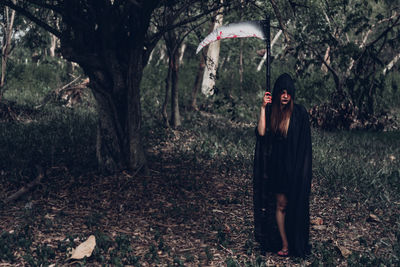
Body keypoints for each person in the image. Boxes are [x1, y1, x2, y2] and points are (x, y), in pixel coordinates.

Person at [253, 73, 312, 258]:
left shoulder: (300, 113)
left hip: (293, 168)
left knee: (295, 204)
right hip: (277, 167)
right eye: (282, 92)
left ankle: (296, 242)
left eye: (288, 93)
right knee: (281, 205)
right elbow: (261, 133)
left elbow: (305, 145)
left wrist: (303, 171)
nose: (285, 96)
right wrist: (263, 107)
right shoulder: (272, 111)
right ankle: (285, 244)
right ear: (278, 93)